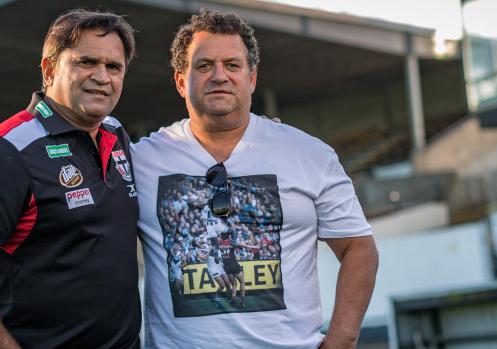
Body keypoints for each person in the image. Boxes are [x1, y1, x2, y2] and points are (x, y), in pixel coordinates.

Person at [132, 8, 379, 348]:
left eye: (232, 65)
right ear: (180, 81)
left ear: (251, 78)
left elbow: (359, 246)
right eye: (204, 66)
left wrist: (342, 339)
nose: (219, 76)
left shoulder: (308, 154)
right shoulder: (139, 160)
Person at [0, 10, 141, 348]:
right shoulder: (7, 151)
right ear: (50, 69)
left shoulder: (116, 134)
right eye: (86, 62)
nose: (102, 76)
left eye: (114, 67)